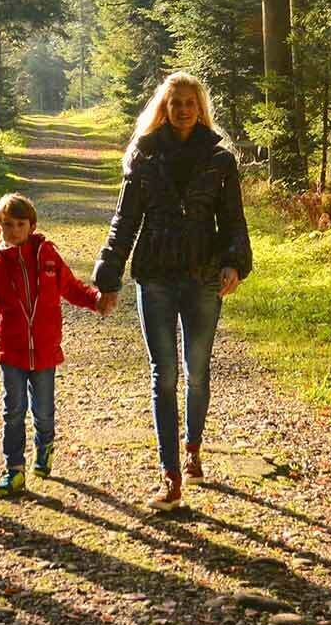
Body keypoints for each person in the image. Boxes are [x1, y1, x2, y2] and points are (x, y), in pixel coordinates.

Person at [90, 71, 251, 510]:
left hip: (203, 274)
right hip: (156, 273)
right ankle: (170, 474)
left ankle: (193, 446)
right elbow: (125, 220)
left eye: (190, 103)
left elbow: (233, 219)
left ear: (200, 109)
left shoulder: (219, 157)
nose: (182, 109)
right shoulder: (143, 153)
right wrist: (108, 276)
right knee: (164, 376)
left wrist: (235, 263)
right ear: (164, 106)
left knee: (197, 371)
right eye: (175, 102)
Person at [0, 192, 108, 498]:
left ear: (32, 226)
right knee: (13, 411)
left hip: (47, 351)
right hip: (11, 353)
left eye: (20, 224)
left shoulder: (48, 257)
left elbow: (71, 287)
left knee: (44, 411)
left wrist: (95, 300)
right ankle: (14, 469)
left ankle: (45, 446)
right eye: (6, 224)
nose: (13, 230)